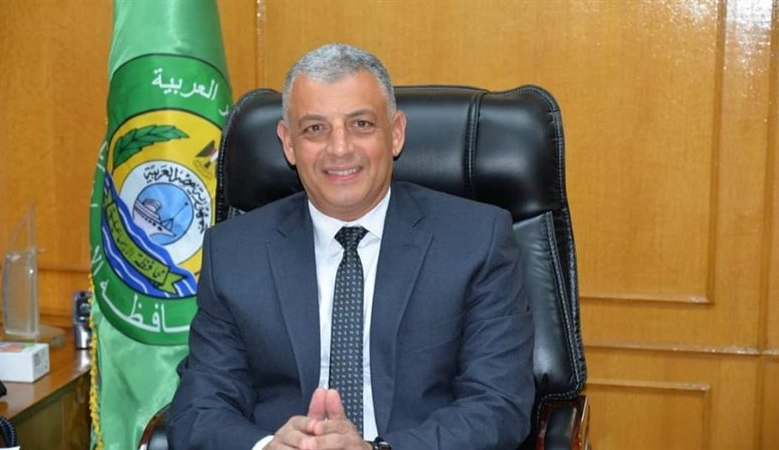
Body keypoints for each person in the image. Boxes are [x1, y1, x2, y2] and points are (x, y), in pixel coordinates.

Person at [168, 43, 534, 450]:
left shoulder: (476, 240)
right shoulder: (234, 252)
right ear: (288, 144)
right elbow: (199, 408)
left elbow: (498, 405)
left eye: (361, 124)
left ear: (396, 133)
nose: (339, 148)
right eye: (315, 129)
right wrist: (267, 446)